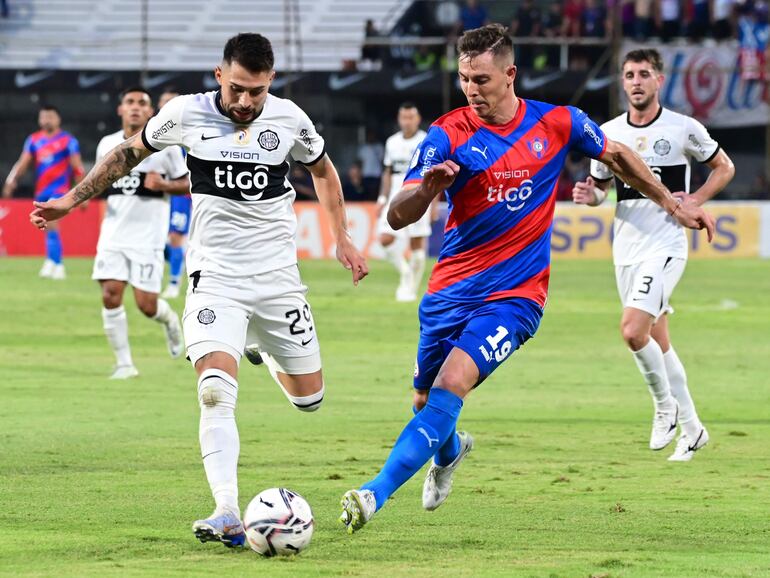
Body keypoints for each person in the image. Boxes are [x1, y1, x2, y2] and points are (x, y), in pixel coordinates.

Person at [337, 24, 715, 534]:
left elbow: (619, 155)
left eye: (481, 79)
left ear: (510, 74)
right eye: (464, 79)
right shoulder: (447, 133)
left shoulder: (557, 122)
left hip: (516, 297)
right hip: (450, 291)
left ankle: (372, 493)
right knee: (426, 401)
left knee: (452, 383)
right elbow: (397, 216)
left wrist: (671, 202)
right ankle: (449, 452)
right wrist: (427, 189)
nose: (471, 90)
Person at [31, 32, 368, 547]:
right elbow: (127, 154)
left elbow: (322, 170)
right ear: (219, 75)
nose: (245, 101)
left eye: (256, 91)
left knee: (310, 400)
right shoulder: (185, 113)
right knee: (213, 392)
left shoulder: (290, 119)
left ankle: (260, 348)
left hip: (278, 278)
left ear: (270, 82)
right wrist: (70, 201)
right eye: (237, 88)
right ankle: (227, 510)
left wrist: (341, 236)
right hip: (215, 276)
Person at [572, 48, 735, 461]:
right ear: (622, 82)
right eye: (629, 75)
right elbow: (601, 189)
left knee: (632, 331)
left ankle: (666, 409)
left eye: (644, 74)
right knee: (658, 342)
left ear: (659, 80)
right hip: (626, 249)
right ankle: (694, 429)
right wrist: (590, 196)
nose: (636, 82)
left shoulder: (682, 128)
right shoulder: (608, 132)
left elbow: (724, 167)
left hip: (666, 245)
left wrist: (695, 199)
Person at [91, 86, 188, 379]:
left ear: (151, 111)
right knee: (110, 295)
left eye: (142, 103)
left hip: (148, 237)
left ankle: (169, 321)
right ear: (120, 109)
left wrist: (165, 186)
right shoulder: (107, 144)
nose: (135, 107)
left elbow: (188, 183)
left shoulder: (166, 147)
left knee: (146, 305)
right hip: (113, 234)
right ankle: (124, 364)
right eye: (130, 102)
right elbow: (98, 183)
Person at [3, 106, 85, 279]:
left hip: (60, 190)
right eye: (44, 117)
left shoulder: (68, 141)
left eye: (50, 117)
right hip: (41, 191)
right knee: (46, 225)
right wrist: (11, 180)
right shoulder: (34, 140)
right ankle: (51, 261)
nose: (47, 120)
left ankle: (58, 265)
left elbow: (77, 167)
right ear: (40, 120)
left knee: (51, 222)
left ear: (58, 119)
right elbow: (22, 163)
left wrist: (84, 193)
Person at [376, 103, 430, 302]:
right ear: (399, 119)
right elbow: (387, 172)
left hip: (419, 195)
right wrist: (382, 198)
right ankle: (405, 272)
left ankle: (411, 289)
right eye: (404, 117)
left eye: (410, 117)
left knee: (417, 245)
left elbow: (434, 172)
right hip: (395, 196)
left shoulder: (426, 140)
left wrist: (433, 202)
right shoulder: (392, 142)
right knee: (384, 239)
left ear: (417, 119)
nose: (407, 122)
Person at [159, 88, 191, 299]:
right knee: (163, 240)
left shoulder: (188, 131)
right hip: (157, 194)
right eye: (164, 101)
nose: (167, 105)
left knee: (175, 237)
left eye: (172, 101)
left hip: (180, 193)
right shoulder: (153, 132)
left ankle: (174, 283)